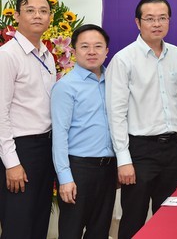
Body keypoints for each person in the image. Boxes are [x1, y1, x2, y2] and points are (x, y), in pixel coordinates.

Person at [106, 0, 177, 239]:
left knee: (171, 217)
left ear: (169, 21)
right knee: (134, 220)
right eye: (150, 19)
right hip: (139, 151)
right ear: (138, 23)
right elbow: (116, 113)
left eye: (162, 18)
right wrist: (123, 159)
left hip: (173, 149)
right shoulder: (123, 59)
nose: (156, 24)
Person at [51, 24, 116, 238]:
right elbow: (59, 135)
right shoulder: (66, 87)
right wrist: (65, 178)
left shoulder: (114, 82)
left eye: (98, 46)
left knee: (100, 232)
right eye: (85, 46)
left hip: (107, 170)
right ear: (73, 50)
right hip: (78, 169)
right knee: (71, 232)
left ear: (107, 51)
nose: (92, 52)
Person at [0, 0, 56, 239]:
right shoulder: (7, 55)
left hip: (45, 148)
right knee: (18, 225)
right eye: (30, 10)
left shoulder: (48, 55)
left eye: (43, 11)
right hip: (20, 150)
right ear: (16, 15)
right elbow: (0, 112)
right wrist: (11, 163)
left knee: (39, 220)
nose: (37, 15)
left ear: (50, 18)